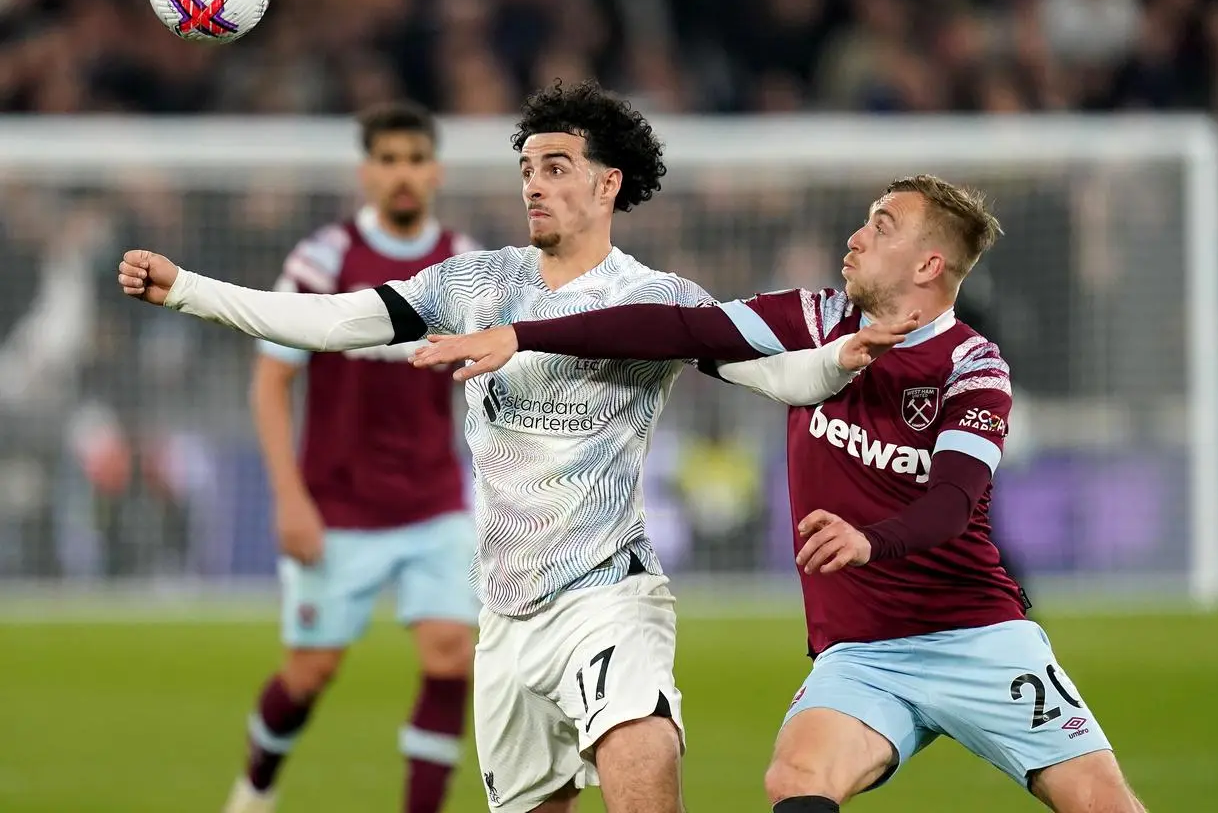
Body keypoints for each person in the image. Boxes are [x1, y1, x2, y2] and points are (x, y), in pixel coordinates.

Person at [119, 79, 864, 813]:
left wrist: (844, 358)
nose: (534, 186)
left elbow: (783, 380)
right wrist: (186, 287)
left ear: (609, 185)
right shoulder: (477, 281)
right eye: (527, 170)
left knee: (641, 757)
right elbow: (330, 321)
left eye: (556, 169)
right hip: (506, 619)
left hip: (607, 593)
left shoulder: (660, 299)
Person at [408, 174, 1147, 813]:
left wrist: (869, 539)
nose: (855, 236)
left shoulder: (974, 366)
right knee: (794, 776)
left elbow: (954, 502)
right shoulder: (817, 321)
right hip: (861, 656)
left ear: (929, 263)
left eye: (881, 225)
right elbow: (679, 327)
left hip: (978, 637)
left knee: (1099, 801)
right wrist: (526, 334)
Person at [225, 103, 480, 813]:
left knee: (450, 656)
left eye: (415, 160)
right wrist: (289, 497)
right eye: (389, 160)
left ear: (436, 171)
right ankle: (255, 787)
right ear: (367, 172)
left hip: (434, 501)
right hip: (335, 507)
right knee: (309, 673)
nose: (403, 175)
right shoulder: (322, 261)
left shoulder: (466, 265)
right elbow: (272, 380)